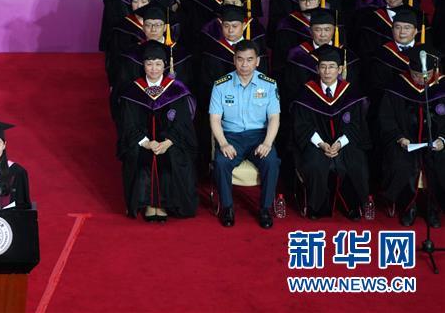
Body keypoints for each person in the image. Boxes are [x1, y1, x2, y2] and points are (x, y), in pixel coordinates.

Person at [117, 41, 197, 220]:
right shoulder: (133, 91)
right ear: (143, 65)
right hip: (142, 141)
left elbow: (183, 123)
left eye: (158, 64)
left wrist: (168, 142)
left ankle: (165, 203)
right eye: (149, 64)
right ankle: (147, 203)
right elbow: (128, 123)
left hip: (168, 141)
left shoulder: (177, 90)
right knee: (136, 154)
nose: (154, 69)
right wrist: (145, 142)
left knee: (174, 156)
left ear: (165, 65)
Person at [291, 45, 370, 220]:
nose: (327, 71)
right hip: (317, 143)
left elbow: (356, 125)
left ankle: (353, 206)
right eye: (323, 66)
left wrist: (340, 143)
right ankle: (317, 207)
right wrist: (321, 144)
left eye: (332, 67)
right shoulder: (306, 93)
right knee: (315, 164)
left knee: (355, 163)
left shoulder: (351, 93)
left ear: (340, 69)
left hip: (345, 142)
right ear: (317, 68)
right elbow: (302, 125)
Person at [209, 40, 281, 229]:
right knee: (221, 162)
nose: (244, 64)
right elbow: (215, 119)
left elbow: (274, 118)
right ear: (234, 60)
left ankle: (265, 208)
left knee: (271, 161)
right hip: (231, 136)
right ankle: (227, 208)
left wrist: (267, 143)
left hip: (259, 136)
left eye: (249, 60)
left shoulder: (269, 85)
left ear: (257, 61)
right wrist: (223, 143)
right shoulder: (221, 85)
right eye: (240, 59)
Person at [378, 47, 444, 227]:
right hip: (405, 143)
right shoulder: (397, 87)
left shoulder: (441, 87)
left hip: (436, 144)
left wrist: (442, 139)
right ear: (410, 70)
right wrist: (399, 137)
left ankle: (433, 207)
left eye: (426, 75)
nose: (421, 79)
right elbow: (386, 118)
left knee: (440, 164)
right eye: (416, 75)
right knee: (401, 164)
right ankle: (409, 206)